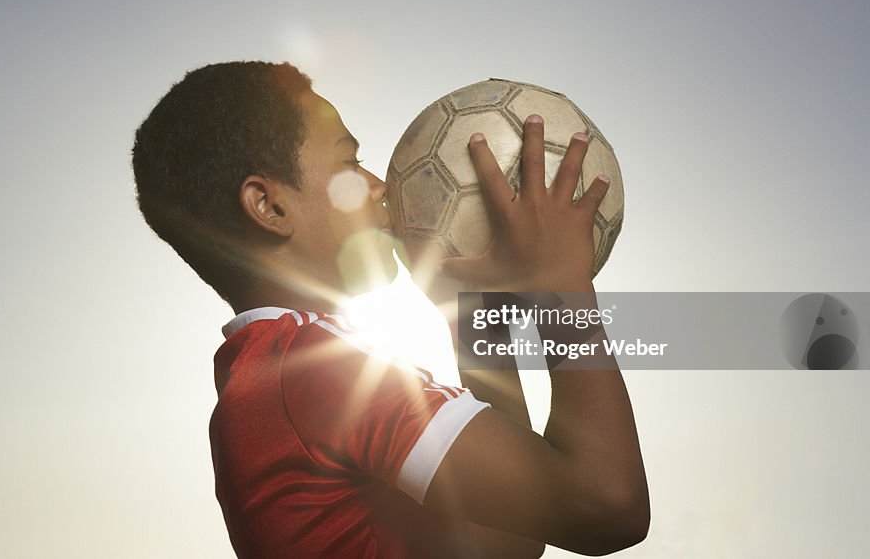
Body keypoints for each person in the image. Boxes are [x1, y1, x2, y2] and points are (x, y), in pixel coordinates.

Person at [131, 61, 649, 557]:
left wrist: (467, 317)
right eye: (348, 164)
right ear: (270, 207)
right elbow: (608, 505)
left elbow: (506, 539)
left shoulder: (267, 374)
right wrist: (558, 289)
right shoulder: (315, 370)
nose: (381, 186)